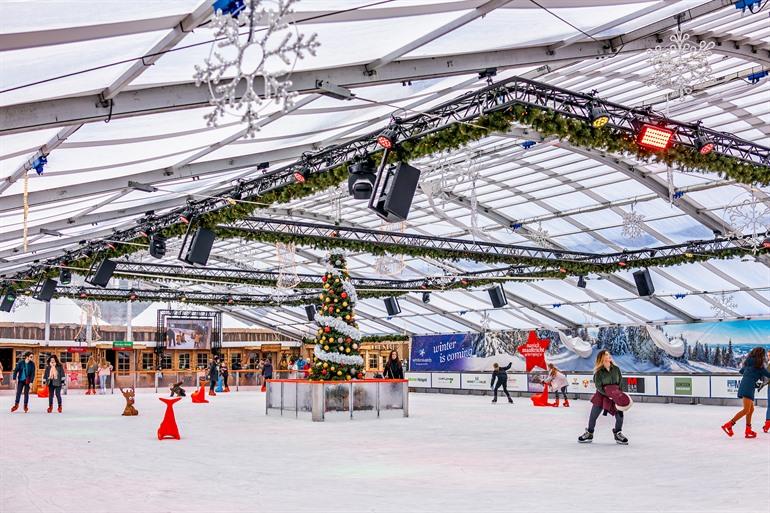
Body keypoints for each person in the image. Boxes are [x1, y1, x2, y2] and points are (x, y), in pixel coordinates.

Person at [578, 350, 629, 445]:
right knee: (593, 416)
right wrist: (608, 395)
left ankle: (618, 433)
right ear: (601, 358)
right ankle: (589, 433)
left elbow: (620, 383)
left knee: (620, 416)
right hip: (601, 396)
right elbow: (598, 386)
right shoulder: (598, 372)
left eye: (608, 354)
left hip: (615, 396)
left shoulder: (616, 369)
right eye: (606, 354)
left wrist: (618, 395)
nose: (608, 356)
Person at [721, 347, 770, 438]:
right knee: (746, 410)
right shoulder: (759, 366)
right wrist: (755, 377)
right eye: (763, 355)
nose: (764, 357)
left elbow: (741, 371)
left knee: (751, 410)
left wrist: (751, 377)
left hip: (745, 386)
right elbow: (768, 375)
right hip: (748, 388)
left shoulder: (748, 363)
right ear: (760, 355)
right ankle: (729, 425)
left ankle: (748, 430)